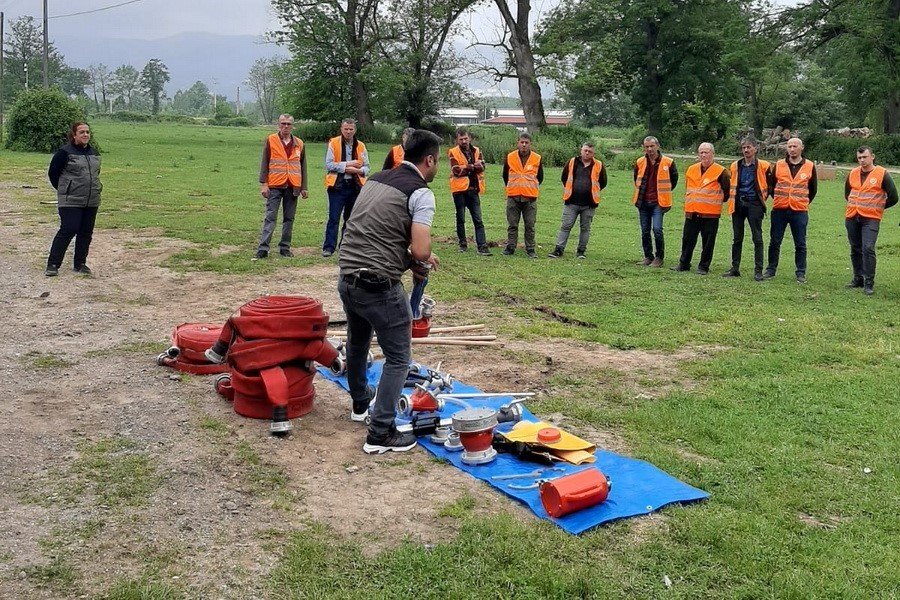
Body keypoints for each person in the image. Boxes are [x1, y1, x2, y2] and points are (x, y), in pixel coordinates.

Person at [337, 129, 442, 454]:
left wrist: (408, 259)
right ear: (429, 160)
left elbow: (375, 230)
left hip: (348, 277)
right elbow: (422, 250)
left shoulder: (377, 179)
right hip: (379, 284)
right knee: (399, 357)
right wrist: (418, 258)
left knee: (357, 343)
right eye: (438, 161)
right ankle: (380, 432)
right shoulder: (421, 193)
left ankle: (360, 406)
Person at [45, 122, 102, 277]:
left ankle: (80, 263)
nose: (85, 135)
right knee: (69, 228)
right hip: (70, 199)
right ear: (74, 135)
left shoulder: (94, 153)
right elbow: (53, 174)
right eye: (82, 132)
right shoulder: (64, 152)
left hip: (91, 199)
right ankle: (53, 264)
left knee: (86, 232)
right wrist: (66, 190)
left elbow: (95, 174)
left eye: (87, 132)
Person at [844, 146, 898, 295]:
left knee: (868, 248)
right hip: (852, 216)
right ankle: (858, 278)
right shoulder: (853, 173)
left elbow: (894, 197)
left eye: (865, 157)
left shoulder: (882, 174)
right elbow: (847, 194)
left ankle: (869, 282)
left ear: (872, 156)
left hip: (871, 218)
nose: (862, 160)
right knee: (855, 248)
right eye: (859, 158)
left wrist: (878, 207)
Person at [254, 114, 308, 260]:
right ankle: (263, 248)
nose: (285, 126)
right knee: (270, 217)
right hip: (275, 185)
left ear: (293, 126)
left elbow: (302, 166)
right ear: (278, 125)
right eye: (283, 123)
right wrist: (264, 184)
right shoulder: (271, 140)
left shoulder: (299, 143)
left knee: (289, 219)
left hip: (293, 186)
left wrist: (304, 187)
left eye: (288, 124)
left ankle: (285, 248)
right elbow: (265, 163)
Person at [764, 137, 816, 283]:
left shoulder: (810, 166)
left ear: (801, 148)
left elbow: (812, 190)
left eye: (795, 146)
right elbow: (772, 186)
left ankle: (800, 272)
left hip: (799, 210)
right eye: (789, 146)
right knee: (775, 241)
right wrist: (781, 199)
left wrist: (801, 201)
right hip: (779, 209)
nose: (792, 149)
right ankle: (770, 270)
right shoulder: (779, 165)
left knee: (800, 243)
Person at [672, 143, 730, 275]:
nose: (704, 155)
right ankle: (684, 263)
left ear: (713, 154)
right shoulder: (691, 169)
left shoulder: (722, 171)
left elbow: (727, 192)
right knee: (687, 239)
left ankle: (704, 267)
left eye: (707, 152)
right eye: (701, 152)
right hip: (692, 212)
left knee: (708, 242)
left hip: (710, 214)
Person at [723, 138, 772, 281]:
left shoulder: (764, 166)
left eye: (749, 147)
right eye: (744, 147)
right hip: (738, 204)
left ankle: (758, 270)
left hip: (754, 204)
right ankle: (735, 268)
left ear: (755, 148)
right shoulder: (735, 165)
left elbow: (770, 185)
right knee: (737, 237)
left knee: (757, 237)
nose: (746, 150)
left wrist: (762, 198)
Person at [549, 142, 607, 259]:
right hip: (571, 202)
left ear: (593, 153)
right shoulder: (572, 162)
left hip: (589, 204)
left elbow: (603, 182)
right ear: (581, 150)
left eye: (589, 151)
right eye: (585, 150)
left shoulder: (599, 165)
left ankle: (581, 252)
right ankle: (559, 250)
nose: (587, 153)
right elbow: (564, 178)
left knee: (585, 228)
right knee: (565, 226)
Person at [323, 118, 369, 257]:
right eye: (346, 129)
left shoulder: (361, 146)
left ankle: (345, 246)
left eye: (351, 129)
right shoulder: (334, 143)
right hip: (337, 186)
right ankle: (329, 247)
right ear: (341, 129)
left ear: (355, 130)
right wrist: (348, 165)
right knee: (334, 218)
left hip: (355, 186)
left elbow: (367, 167)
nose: (348, 131)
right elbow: (329, 165)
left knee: (350, 219)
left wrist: (357, 171)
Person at [633, 136, 678, 267]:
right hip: (643, 202)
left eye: (652, 146)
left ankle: (659, 257)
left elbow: (673, 181)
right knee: (645, 230)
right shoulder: (640, 162)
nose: (649, 149)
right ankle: (648, 256)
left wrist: (663, 193)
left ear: (658, 146)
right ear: (644, 148)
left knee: (657, 229)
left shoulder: (668, 162)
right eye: (647, 147)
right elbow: (636, 179)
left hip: (659, 202)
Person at [448, 127, 490, 255]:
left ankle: (482, 246)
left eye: (466, 138)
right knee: (461, 219)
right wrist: (473, 166)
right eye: (461, 139)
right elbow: (456, 171)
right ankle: (462, 244)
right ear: (457, 140)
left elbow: (482, 167)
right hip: (459, 190)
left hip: (473, 190)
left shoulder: (477, 150)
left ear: (469, 138)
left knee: (478, 219)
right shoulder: (453, 152)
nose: (464, 141)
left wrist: (467, 167)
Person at [502, 133, 543, 258]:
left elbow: (540, 177)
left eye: (526, 142)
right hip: (513, 196)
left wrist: (528, 187)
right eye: (522, 142)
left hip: (530, 197)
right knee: (512, 224)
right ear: (518, 142)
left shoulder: (537, 158)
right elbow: (505, 175)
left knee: (530, 225)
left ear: (530, 144)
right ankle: (510, 247)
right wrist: (513, 187)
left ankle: (530, 248)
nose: (524, 145)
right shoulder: (510, 157)